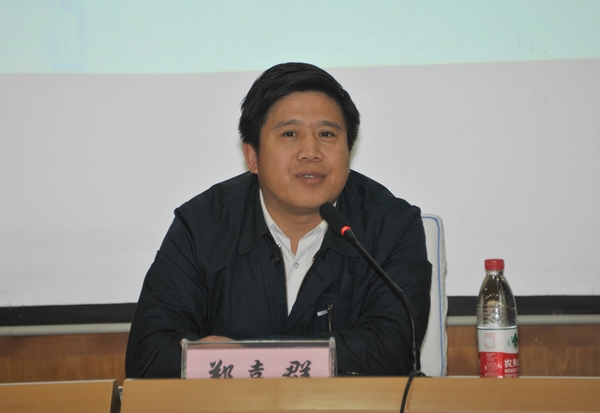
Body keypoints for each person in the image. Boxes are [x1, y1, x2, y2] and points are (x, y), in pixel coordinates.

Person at [125, 62, 432, 378]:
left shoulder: (392, 226)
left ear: (348, 149)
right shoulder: (202, 226)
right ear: (252, 156)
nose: (310, 151)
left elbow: (394, 351)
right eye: (290, 133)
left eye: (326, 134)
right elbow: (148, 355)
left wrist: (247, 360)